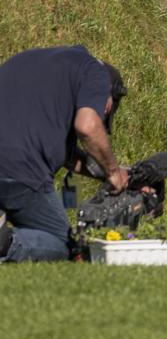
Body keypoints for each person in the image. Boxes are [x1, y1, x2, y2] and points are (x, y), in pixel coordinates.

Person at [0, 46, 128, 263]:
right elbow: (88, 126)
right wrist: (114, 171)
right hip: (19, 168)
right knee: (64, 244)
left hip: (11, 161)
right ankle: (5, 246)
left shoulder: (37, 60)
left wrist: (105, 173)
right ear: (109, 99)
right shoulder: (95, 73)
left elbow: (67, 155)